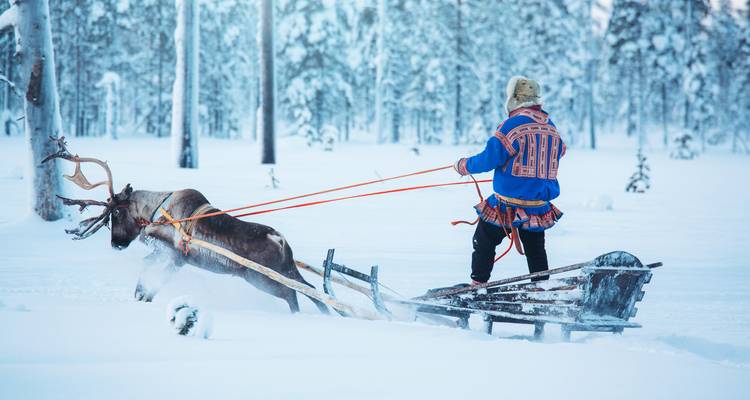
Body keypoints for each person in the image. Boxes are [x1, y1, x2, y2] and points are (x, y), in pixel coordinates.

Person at [453, 76, 565, 286]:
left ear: (513, 98)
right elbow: (561, 150)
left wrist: (464, 166)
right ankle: (541, 288)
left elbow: (490, 159)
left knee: (484, 241)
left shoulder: (512, 125)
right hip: (538, 206)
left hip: (507, 203)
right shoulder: (551, 126)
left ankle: (478, 285)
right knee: (535, 249)